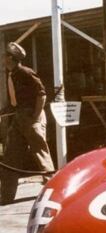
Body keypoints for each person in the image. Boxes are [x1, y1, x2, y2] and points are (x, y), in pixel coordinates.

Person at [1, 42, 55, 203]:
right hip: (19, 117)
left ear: (10, 58)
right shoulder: (12, 74)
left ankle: (54, 189)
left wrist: (36, 116)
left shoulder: (25, 72)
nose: (2, 59)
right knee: (11, 156)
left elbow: (42, 94)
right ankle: (6, 196)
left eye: (4, 56)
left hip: (31, 117)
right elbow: (15, 101)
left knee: (40, 153)